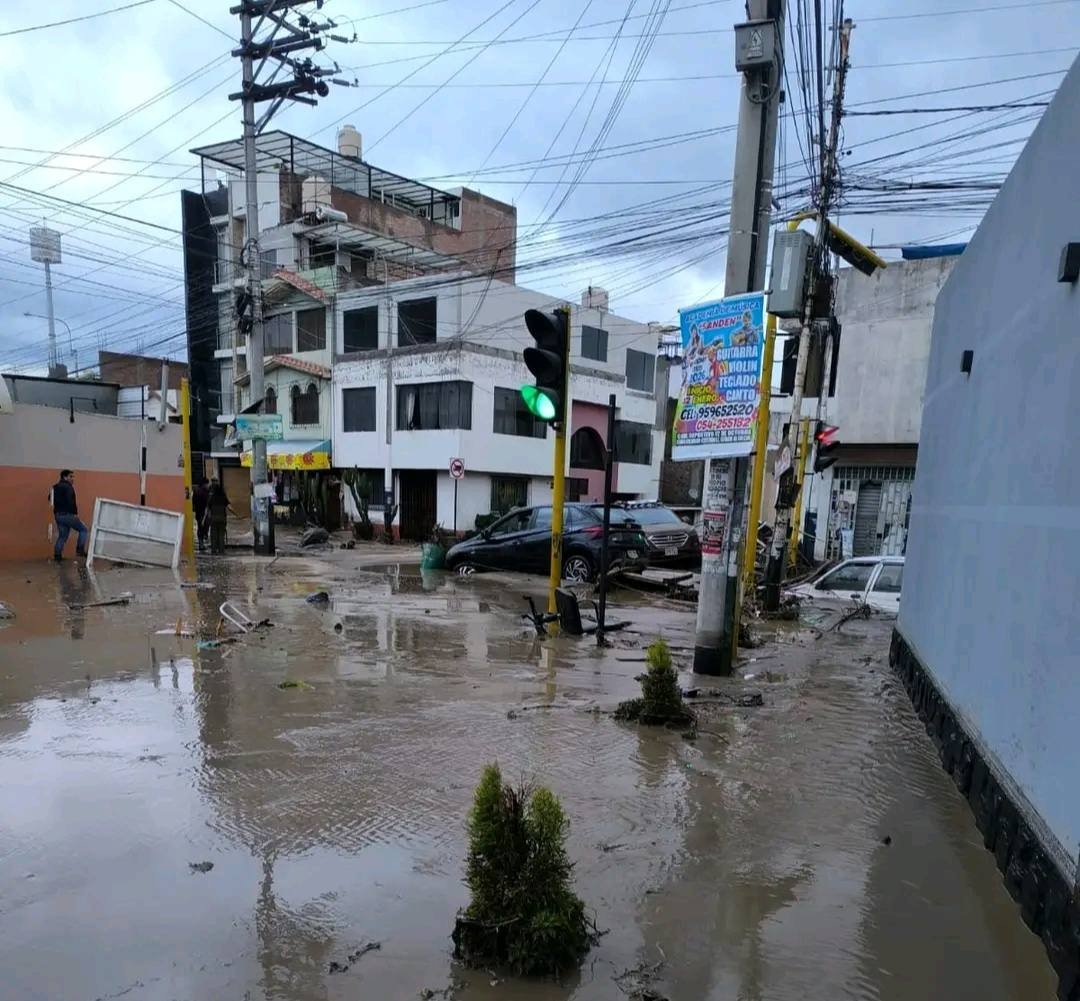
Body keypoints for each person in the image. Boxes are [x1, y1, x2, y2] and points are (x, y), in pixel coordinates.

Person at [50, 469, 89, 562]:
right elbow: (71, 501)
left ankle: (57, 556)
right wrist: (74, 514)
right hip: (68, 514)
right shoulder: (68, 487)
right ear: (65, 477)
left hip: (58, 515)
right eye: (71, 476)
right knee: (83, 530)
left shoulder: (55, 487)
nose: (73, 479)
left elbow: (50, 498)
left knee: (62, 536)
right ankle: (80, 549)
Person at [207, 478, 232, 555]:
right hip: (222, 518)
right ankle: (221, 550)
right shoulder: (223, 496)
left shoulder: (212, 497)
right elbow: (229, 506)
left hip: (214, 518)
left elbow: (208, 508)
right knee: (221, 535)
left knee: (214, 535)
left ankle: (214, 551)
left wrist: (207, 517)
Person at [192, 477, 210, 551]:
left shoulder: (196, 490)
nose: (208, 485)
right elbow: (208, 502)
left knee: (200, 527)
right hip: (203, 511)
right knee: (205, 525)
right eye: (207, 484)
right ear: (204, 484)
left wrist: (194, 509)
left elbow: (193, 501)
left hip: (198, 512)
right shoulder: (205, 491)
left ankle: (201, 542)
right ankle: (203, 540)